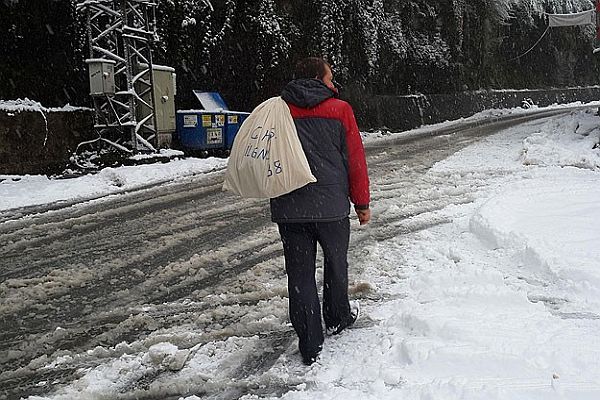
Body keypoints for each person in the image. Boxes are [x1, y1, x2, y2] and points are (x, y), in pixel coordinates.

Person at [271, 57, 371, 365]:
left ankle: (309, 341)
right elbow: (354, 159)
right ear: (318, 78)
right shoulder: (340, 110)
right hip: (331, 208)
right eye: (330, 78)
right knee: (336, 263)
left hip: (290, 206)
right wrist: (362, 202)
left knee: (299, 275)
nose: (333, 83)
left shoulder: (278, 110)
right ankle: (338, 316)